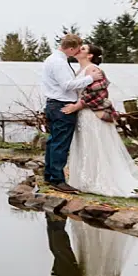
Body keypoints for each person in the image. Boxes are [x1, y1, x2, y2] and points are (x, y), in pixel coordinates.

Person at [62, 43, 138, 197]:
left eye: (83, 49)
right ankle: (84, 179)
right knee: (85, 146)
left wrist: (76, 106)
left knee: (96, 145)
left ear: (89, 55)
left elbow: (96, 94)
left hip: (91, 114)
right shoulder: (79, 70)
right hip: (82, 116)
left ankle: (100, 180)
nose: (78, 49)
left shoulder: (94, 70)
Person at [41, 34, 104, 193]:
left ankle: (49, 175)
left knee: (53, 141)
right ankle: (57, 179)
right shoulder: (59, 63)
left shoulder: (53, 59)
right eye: (77, 49)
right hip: (62, 105)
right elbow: (67, 85)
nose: (77, 52)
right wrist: (90, 79)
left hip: (54, 104)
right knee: (60, 144)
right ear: (70, 48)